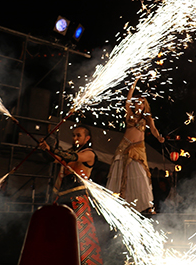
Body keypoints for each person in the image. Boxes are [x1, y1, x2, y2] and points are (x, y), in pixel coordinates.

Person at [40, 125, 104, 265]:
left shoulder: (89, 154)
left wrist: (52, 149)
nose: (75, 138)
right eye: (74, 135)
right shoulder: (68, 153)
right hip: (62, 199)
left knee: (81, 236)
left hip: (78, 199)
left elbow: (73, 156)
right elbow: (53, 158)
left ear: (87, 138)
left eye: (78, 135)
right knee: (60, 233)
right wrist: (45, 149)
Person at [106, 77, 165, 214]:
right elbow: (127, 101)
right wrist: (134, 84)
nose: (140, 105)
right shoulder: (130, 115)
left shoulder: (147, 118)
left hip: (138, 147)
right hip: (125, 145)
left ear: (145, 105)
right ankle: (120, 203)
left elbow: (154, 129)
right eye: (137, 103)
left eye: (142, 103)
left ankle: (144, 205)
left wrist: (158, 137)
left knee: (141, 174)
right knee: (120, 172)